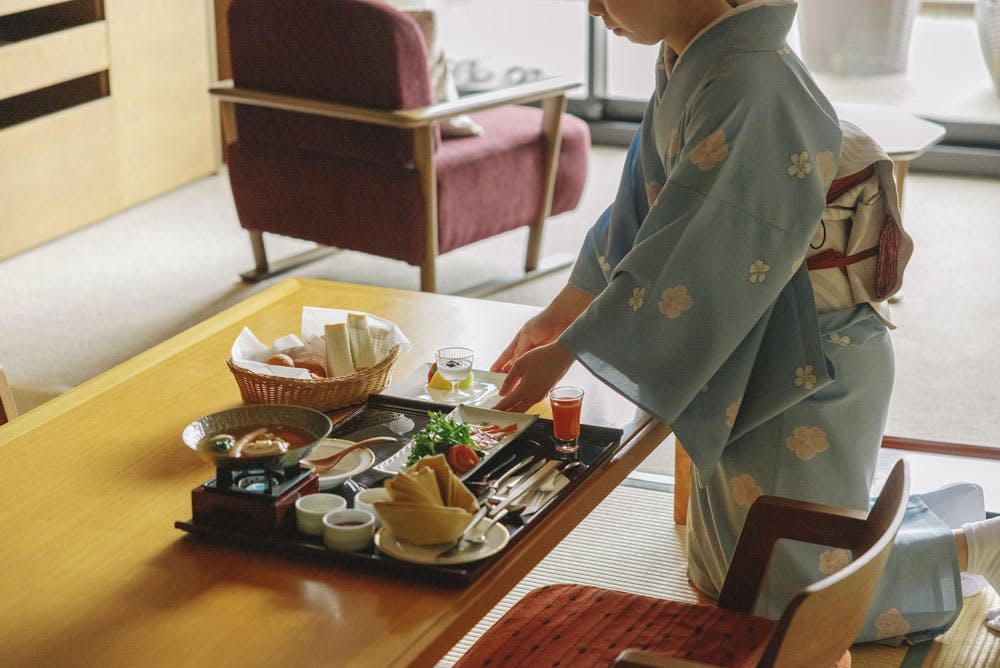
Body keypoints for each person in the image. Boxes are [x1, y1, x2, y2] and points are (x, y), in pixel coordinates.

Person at [490, 0, 1000, 644]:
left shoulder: (749, 83)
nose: (592, 7)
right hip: (759, 339)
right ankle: (944, 523)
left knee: (778, 599)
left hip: (806, 361)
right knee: (724, 565)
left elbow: (691, 254)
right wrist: (556, 316)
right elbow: (645, 214)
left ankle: (972, 550)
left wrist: (568, 348)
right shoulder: (691, 61)